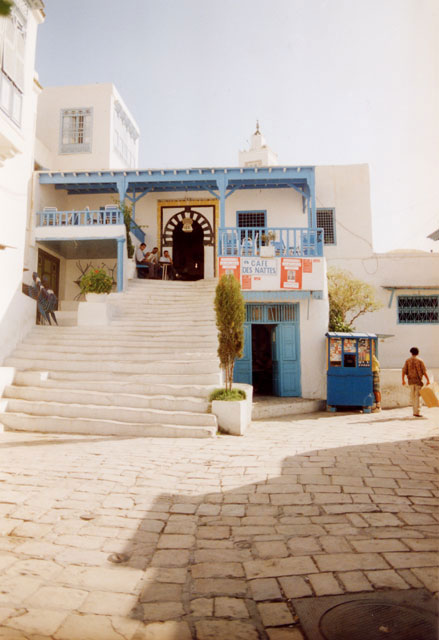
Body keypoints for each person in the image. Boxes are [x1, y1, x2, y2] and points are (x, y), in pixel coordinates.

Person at [402, 347, 430, 417]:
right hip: (418, 381)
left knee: (413, 396)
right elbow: (424, 372)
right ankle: (417, 412)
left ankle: (414, 411)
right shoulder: (420, 361)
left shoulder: (407, 360)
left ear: (411, 353)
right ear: (418, 352)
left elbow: (404, 371)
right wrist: (428, 380)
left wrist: (403, 380)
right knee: (417, 397)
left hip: (410, 381)